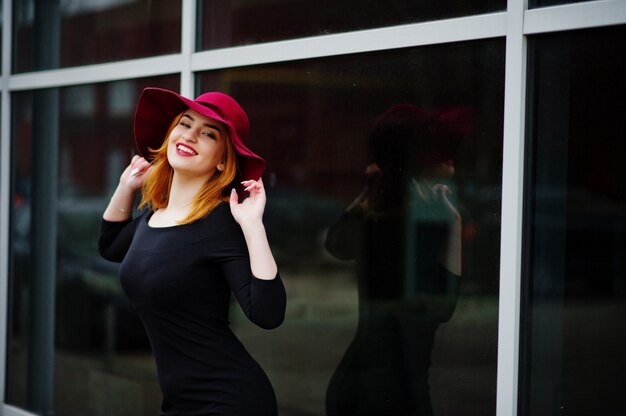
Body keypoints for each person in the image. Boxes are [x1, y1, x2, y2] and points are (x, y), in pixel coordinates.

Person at [98, 87, 286, 416]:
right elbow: (111, 246)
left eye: (208, 133)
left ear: (223, 159)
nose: (191, 135)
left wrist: (253, 225)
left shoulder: (221, 223)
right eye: (185, 124)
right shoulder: (154, 218)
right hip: (180, 401)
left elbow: (268, 313)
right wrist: (126, 187)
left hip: (228, 400)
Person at [324, 104, 471, 416]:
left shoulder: (383, 216)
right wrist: (454, 224)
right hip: (390, 395)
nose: (451, 156)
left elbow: (337, 244)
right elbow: (442, 308)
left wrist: (367, 193)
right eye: (441, 148)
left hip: (357, 383)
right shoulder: (413, 222)